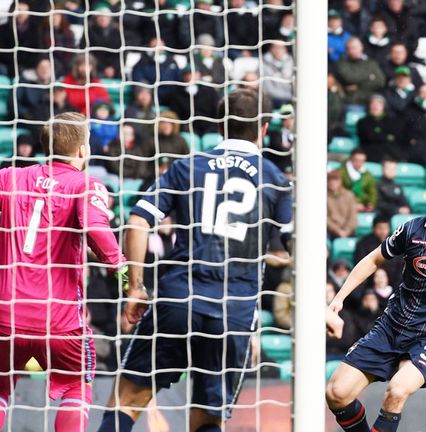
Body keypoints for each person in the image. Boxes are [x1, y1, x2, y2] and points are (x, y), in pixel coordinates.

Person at [96, 90, 292, 432]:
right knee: (207, 416)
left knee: (127, 399)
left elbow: (138, 222)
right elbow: (298, 245)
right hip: (234, 309)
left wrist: (134, 287)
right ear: (263, 129)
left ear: (219, 126)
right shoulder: (275, 179)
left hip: (180, 296)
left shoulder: (188, 166)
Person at [0, 112, 137, 431]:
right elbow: (97, 231)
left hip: (5, 316)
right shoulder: (86, 185)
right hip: (59, 321)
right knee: (76, 388)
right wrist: (128, 280)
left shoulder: (9, 177)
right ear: (82, 151)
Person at [325, 173, 426, 432]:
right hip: (391, 327)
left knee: (396, 391)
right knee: (337, 393)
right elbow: (373, 260)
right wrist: (338, 300)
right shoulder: (412, 230)